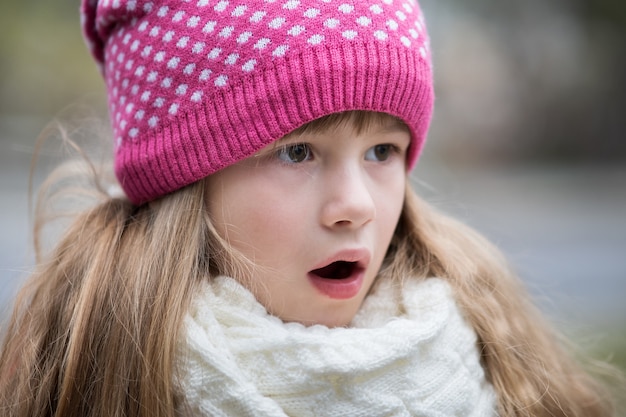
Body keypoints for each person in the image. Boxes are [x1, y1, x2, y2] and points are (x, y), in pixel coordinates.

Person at [0, 0, 619, 416]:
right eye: (297, 152)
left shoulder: (493, 363)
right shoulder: (96, 378)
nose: (355, 208)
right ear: (184, 182)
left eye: (382, 149)